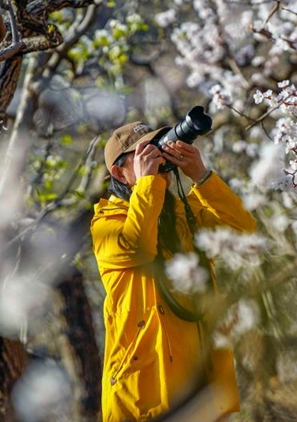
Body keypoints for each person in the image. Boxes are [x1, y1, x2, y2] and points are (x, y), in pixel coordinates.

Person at [91, 121, 257, 422]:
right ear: (118, 173)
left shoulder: (185, 214)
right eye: (144, 154)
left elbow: (244, 232)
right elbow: (138, 244)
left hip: (200, 394)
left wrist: (202, 177)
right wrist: (146, 183)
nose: (158, 160)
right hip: (144, 400)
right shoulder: (106, 225)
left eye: (159, 149)